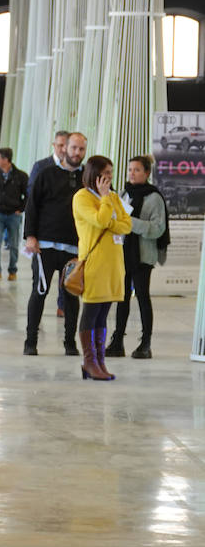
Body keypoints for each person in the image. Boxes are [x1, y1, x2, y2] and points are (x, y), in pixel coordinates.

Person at [23, 131, 87, 356]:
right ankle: (30, 342)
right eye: (73, 148)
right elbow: (32, 206)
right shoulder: (46, 174)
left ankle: (70, 344)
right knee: (39, 292)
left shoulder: (87, 178)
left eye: (81, 149)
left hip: (74, 249)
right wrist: (30, 236)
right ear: (64, 148)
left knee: (71, 297)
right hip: (45, 247)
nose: (77, 153)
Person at [72, 155, 133, 380]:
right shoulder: (82, 197)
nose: (109, 176)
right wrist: (106, 200)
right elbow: (100, 220)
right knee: (91, 312)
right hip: (94, 264)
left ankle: (100, 361)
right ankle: (89, 361)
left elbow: (126, 225)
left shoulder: (114, 197)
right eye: (106, 172)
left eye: (111, 172)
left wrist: (111, 217)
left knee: (104, 314)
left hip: (114, 263)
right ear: (94, 173)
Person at [106, 155, 168, 359]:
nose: (132, 173)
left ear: (147, 173)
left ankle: (146, 343)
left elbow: (158, 229)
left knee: (142, 296)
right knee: (121, 298)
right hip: (122, 253)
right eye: (130, 169)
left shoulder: (154, 197)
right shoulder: (123, 193)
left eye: (137, 170)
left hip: (143, 256)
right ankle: (117, 341)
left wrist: (131, 222)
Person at [0, 147, 28, 281]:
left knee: (14, 244)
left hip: (14, 215)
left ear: (5, 160)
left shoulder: (21, 176)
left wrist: (21, 209)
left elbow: (28, 195)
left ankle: (12, 271)